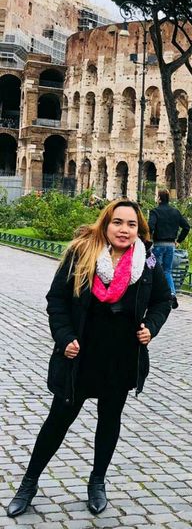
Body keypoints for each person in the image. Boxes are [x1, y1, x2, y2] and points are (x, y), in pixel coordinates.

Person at [6, 199, 171, 518]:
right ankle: (29, 483)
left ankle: (97, 482)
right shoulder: (81, 253)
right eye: (118, 222)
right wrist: (64, 337)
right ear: (105, 224)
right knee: (58, 421)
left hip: (121, 355)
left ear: (139, 228)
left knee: (109, 420)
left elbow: (164, 300)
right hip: (81, 354)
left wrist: (151, 327)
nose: (124, 230)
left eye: (131, 224)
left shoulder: (146, 260)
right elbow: (56, 300)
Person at [148, 189, 190, 309]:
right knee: (167, 271)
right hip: (171, 246)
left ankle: (155, 295)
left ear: (159, 199)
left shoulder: (155, 212)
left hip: (158, 245)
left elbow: (150, 226)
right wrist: (178, 241)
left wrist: (147, 238)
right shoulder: (175, 212)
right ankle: (172, 293)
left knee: (153, 269)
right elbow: (186, 227)